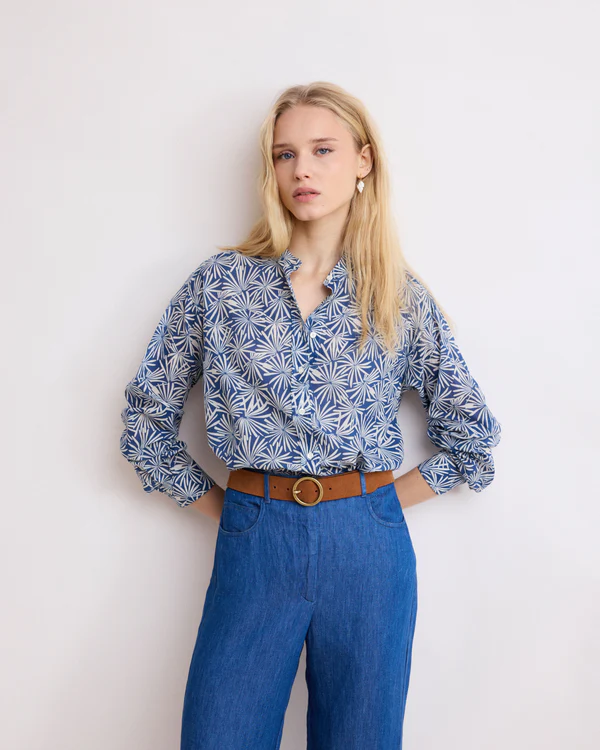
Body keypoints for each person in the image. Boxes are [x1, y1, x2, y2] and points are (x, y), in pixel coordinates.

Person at [119, 81, 502, 750]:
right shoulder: (222, 284)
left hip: (367, 550)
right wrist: (238, 509)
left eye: (323, 150)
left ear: (363, 161)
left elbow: (472, 441)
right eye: (285, 154)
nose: (302, 170)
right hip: (254, 536)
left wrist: (374, 507)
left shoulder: (397, 296)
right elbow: (145, 424)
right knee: (219, 736)